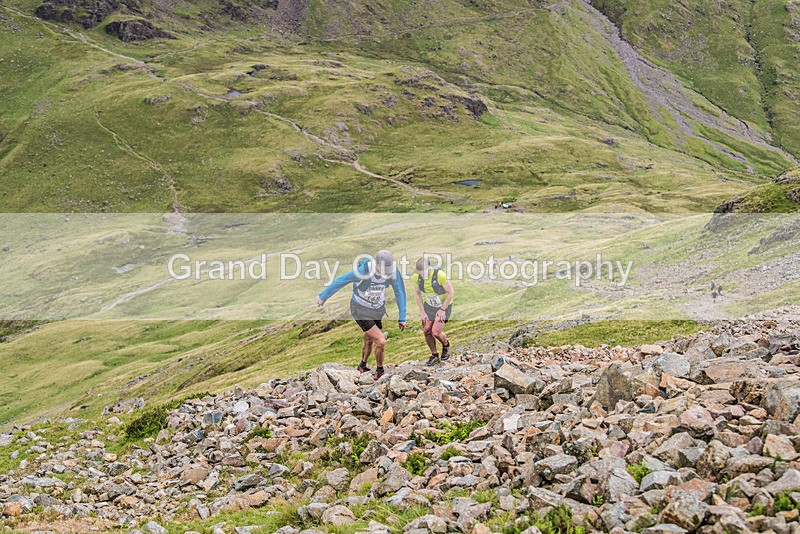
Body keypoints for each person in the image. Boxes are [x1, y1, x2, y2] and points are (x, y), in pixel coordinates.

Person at [316, 250, 406, 380]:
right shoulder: (364, 271)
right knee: (381, 341)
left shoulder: (393, 271)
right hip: (360, 308)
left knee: (369, 338)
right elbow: (342, 280)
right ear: (377, 264)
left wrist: (402, 316)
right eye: (383, 268)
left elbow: (400, 292)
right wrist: (323, 296)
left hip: (377, 308)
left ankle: (362, 365)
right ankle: (380, 371)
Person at [412, 257, 455, 366]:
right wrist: (422, 312)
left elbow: (451, 292)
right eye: (420, 273)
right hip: (429, 306)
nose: (421, 275)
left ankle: (446, 345)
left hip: (444, 305)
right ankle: (434, 355)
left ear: (429, 268)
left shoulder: (440, 275)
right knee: (426, 330)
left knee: (436, 332)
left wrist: (442, 310)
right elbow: (417, 294)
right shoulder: (417, 277)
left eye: (423, 272)